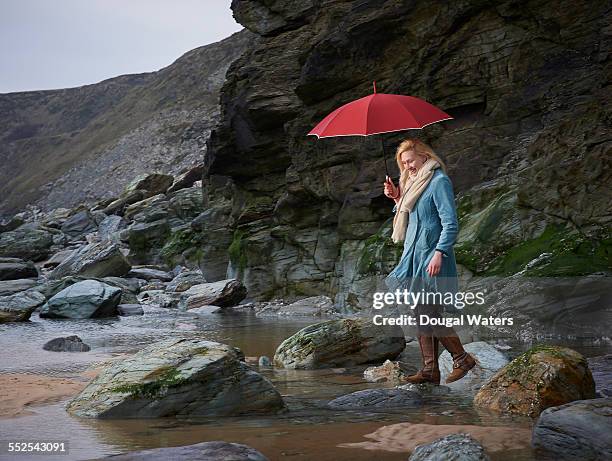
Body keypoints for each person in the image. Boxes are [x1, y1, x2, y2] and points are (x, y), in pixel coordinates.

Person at [382, 137, 475, 385]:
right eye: (404, 163)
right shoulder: (413, 183)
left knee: (428, 314)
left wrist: (439, 252)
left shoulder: (438, 182)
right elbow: (412, 214)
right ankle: (430, 370)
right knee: (422, 312)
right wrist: (395, 198)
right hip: (413, 256)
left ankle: (461, 358)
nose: (408, 166)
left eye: (411, 161)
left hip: (431, 257)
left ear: (424, 156)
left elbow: (450, 224)